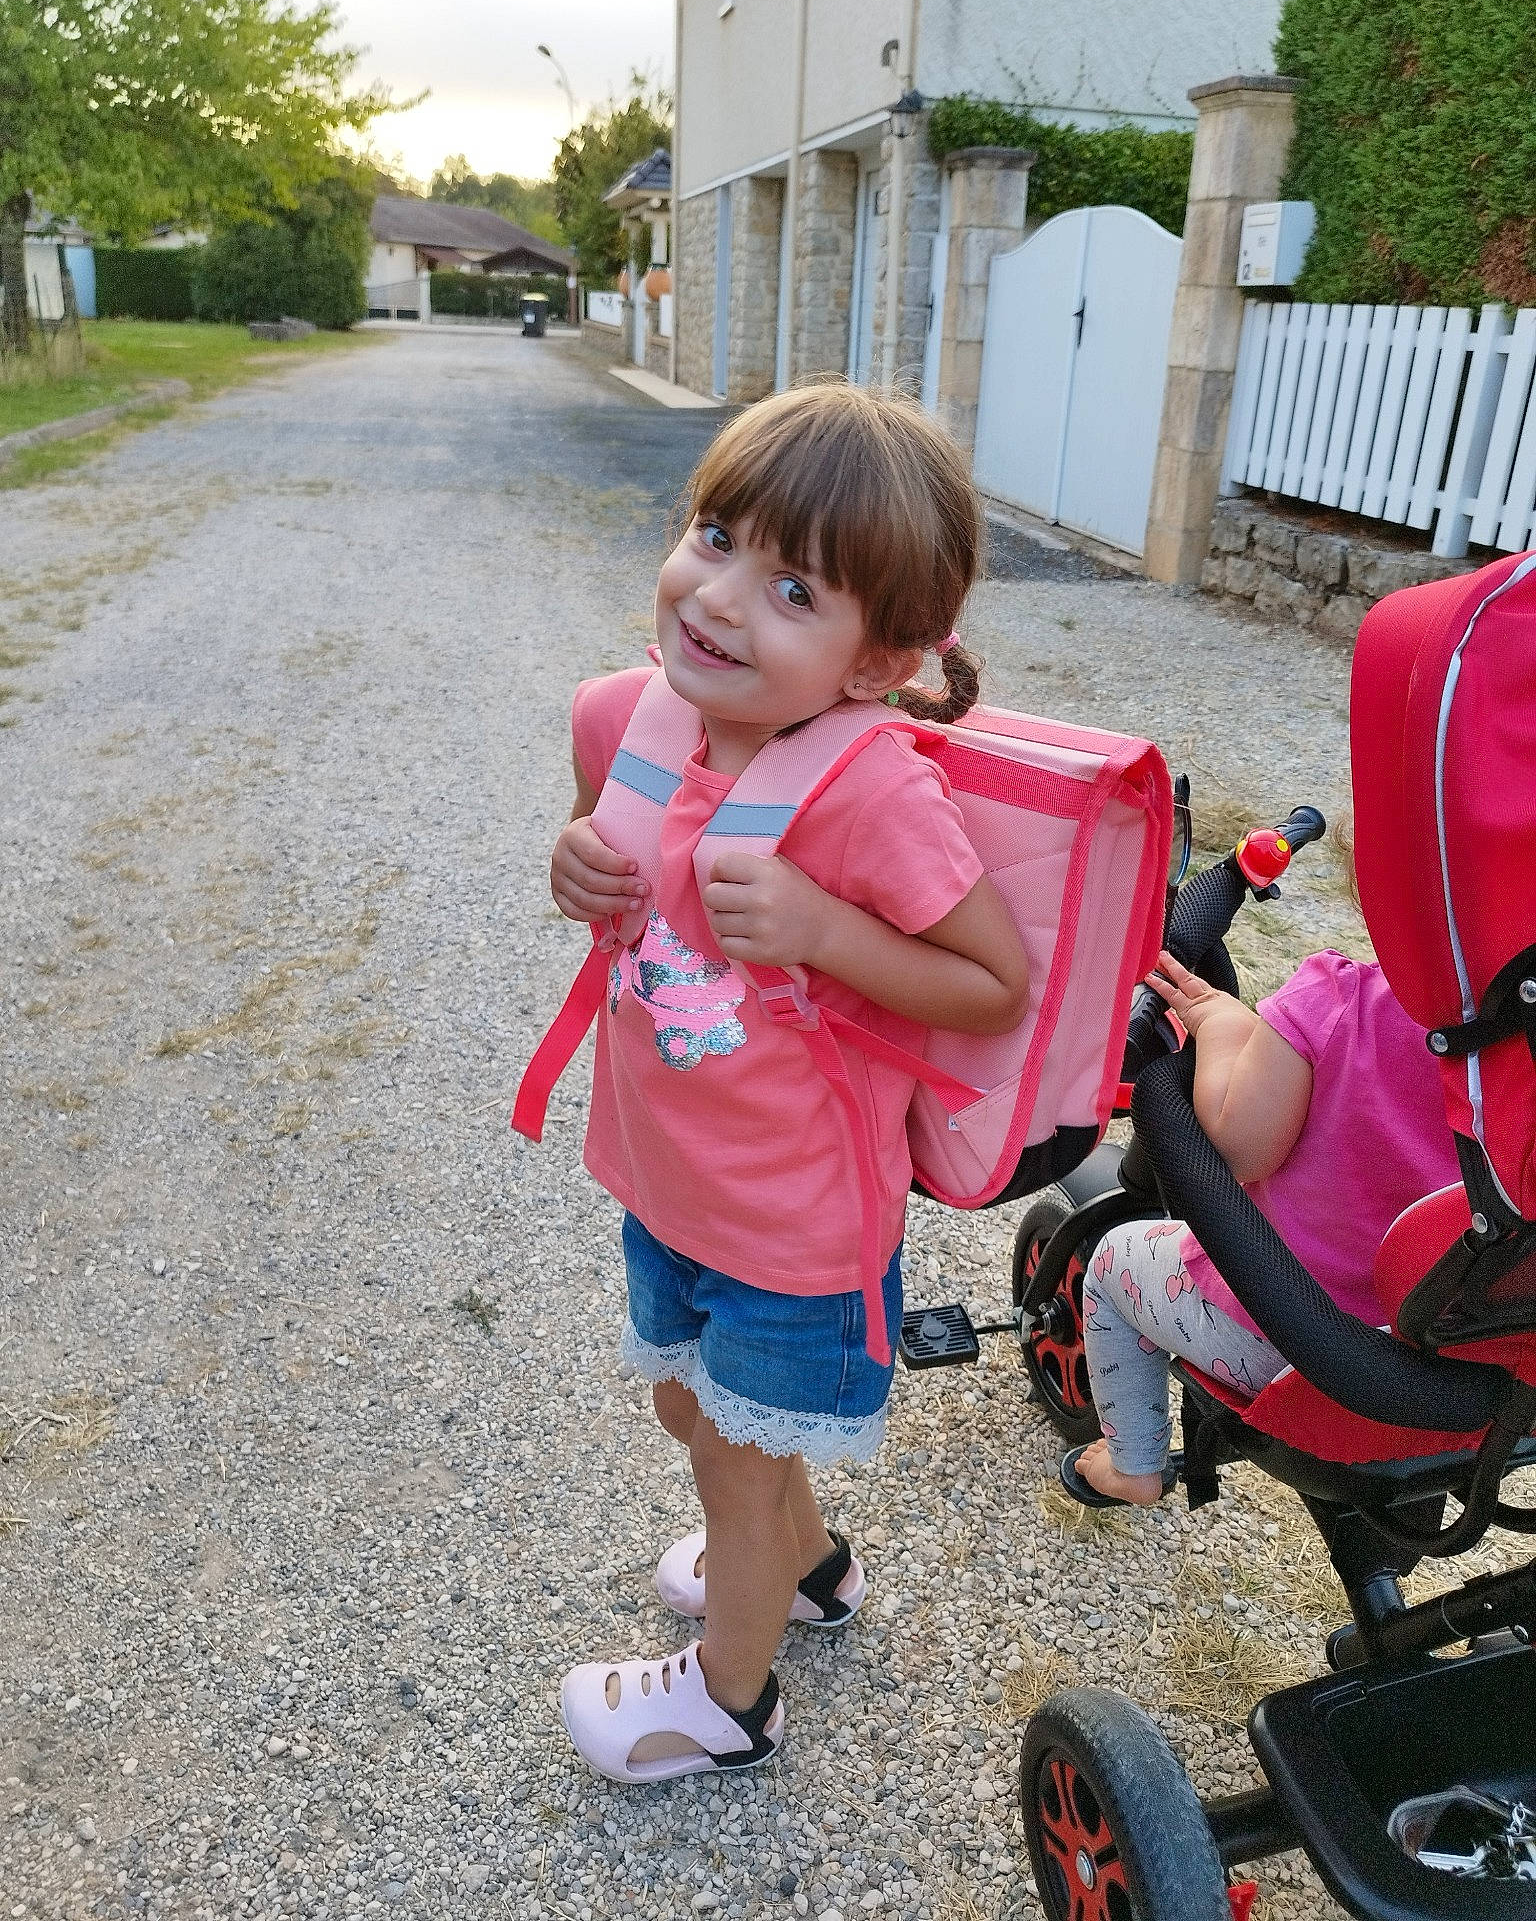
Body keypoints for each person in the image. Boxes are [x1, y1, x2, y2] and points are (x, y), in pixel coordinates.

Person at [543, 383, 1030, 1782]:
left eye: (795, 587)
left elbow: (992, 984)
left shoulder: (868, 793)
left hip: (798, 1230)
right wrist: (575, 862)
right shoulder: (649, 718)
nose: (722, 597)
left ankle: (728, 1705)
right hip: (677, 1183)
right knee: (693, 1412)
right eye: (717, 535)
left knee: (731, 1467)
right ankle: (809, 1573)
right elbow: (612, 862)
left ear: (876, 663)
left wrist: (827, 931)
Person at [1065, 939, 1460, 1508]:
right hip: (1455, 1368)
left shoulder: (1341, 998)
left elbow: (1240, 1147)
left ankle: (1132, 1463)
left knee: (1112, 1263)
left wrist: (1225, 1027)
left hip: (1295, 1347)